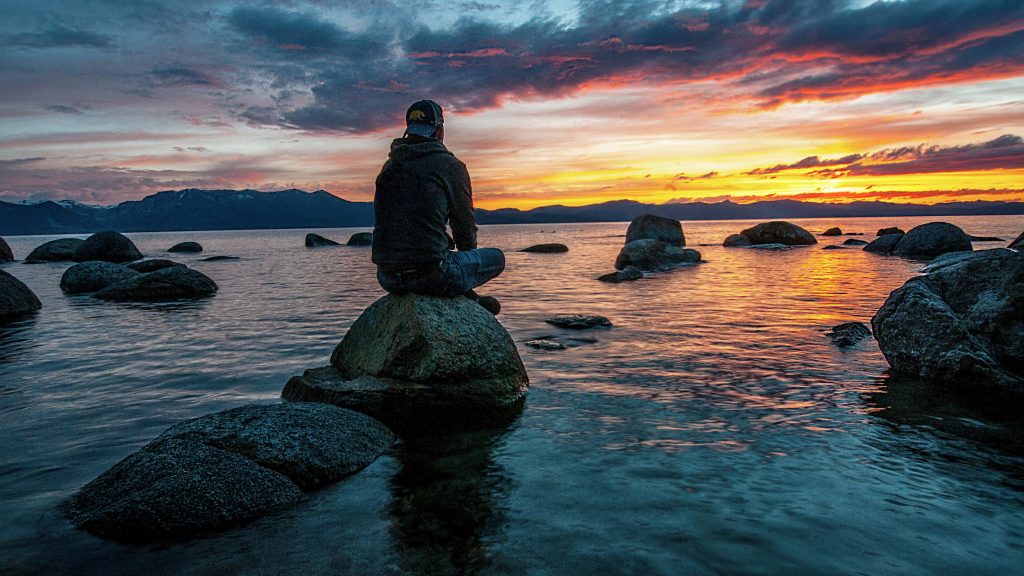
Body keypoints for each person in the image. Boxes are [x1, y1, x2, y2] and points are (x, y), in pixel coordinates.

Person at [372, 99, 504, 314]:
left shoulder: (389, 167)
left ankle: (466, 295)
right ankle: (467, 296)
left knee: (440, 251)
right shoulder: (449, 166)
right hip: (432, 276)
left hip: (387, 278)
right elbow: (464, 225)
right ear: (439, 130)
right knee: (497, 257)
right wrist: (465, 264)